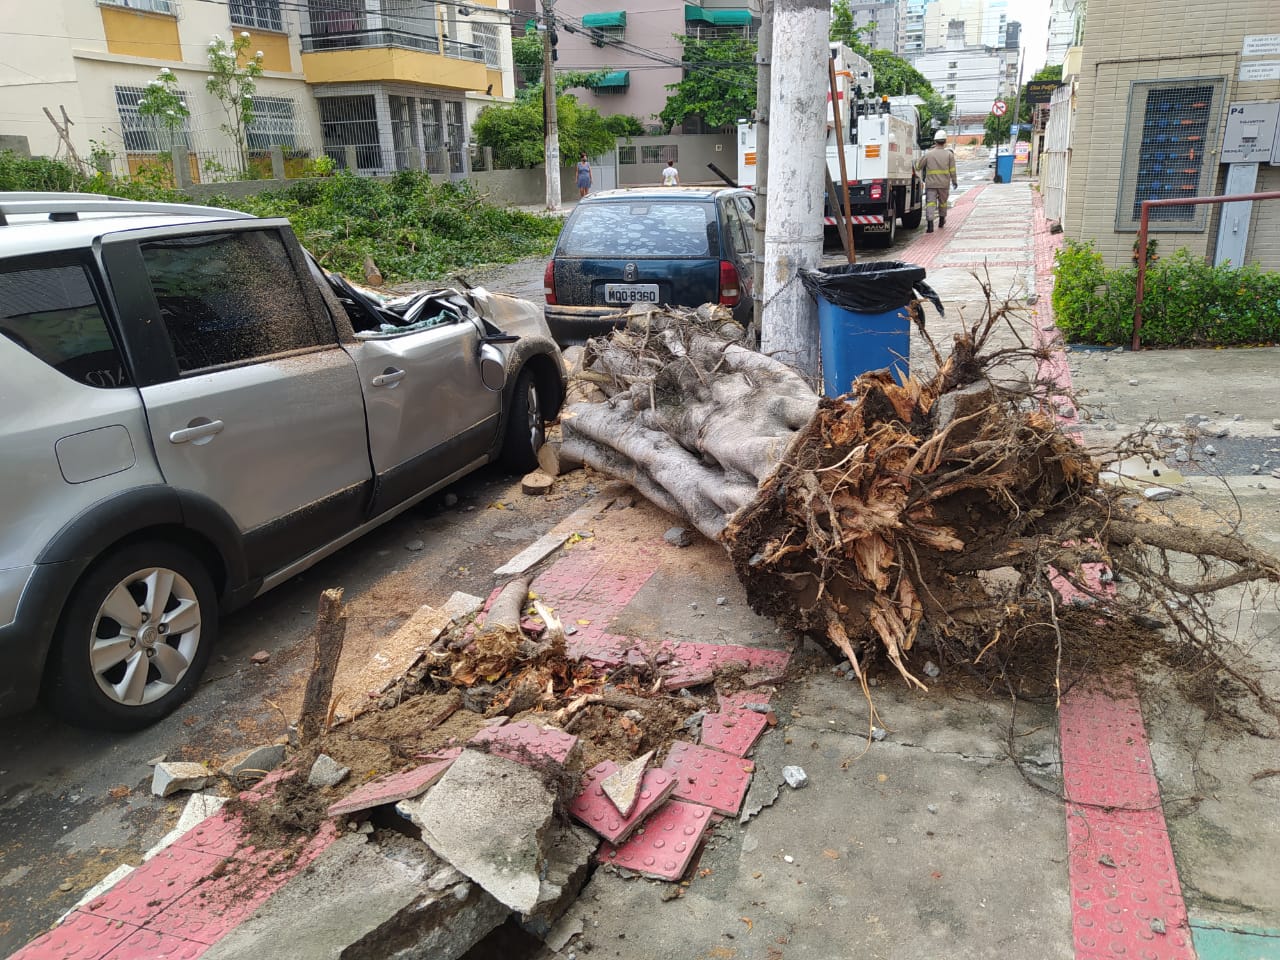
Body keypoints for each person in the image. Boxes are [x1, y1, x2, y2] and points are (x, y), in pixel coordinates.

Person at [918, 130, 957, 233]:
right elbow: (952, 170)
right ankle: (941, 220)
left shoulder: (929, 154)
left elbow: (918, 166)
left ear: (935, 141)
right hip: (944, 184)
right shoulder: (949, 155)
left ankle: (930, 225)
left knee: (930, 203)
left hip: (931, 184)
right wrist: (954, 181)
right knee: (943, 203)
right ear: (944, 142)